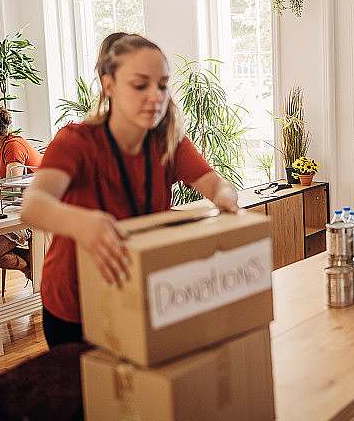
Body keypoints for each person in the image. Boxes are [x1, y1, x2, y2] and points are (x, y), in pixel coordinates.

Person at [21, 33, 240, 348]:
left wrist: (225, 196)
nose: (156, 97)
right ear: (108, 85)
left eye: (162, 85)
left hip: (139, 292)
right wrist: (82, 223)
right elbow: (33, 205)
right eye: (140, 86)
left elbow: (216, 184)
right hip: (76, 303)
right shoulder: (75, 141)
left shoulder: (169, 142)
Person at [0, 101, 43, 280]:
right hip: (13, 212)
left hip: (36, 214)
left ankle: (32, 265)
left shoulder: (13, 147)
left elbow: (13, 191)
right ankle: (30, 264)